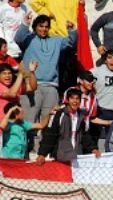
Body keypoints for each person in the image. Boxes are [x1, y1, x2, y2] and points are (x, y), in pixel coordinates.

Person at [16, 14, 77, 152]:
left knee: (48, 122)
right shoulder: (29, 38)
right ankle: (26, 151)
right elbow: (18, 38)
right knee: (29, 120)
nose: (43, 29)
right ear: (35, 27)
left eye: (46, 27)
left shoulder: (56, 41)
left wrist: (72, 30)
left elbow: (71, 42)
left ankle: (42, 152)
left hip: (51, 86)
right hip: (31, 85)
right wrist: (25, 23)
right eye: (40, 26)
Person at [36, 88, 100, 164]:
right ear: (67, 100)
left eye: (77, 99)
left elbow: (85, 136)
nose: (75, 101)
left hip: (77, 157)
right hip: (60, 157)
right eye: (72, 98)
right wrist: (42, 154)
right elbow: (50, 135)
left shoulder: (82, 116)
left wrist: (93, 149)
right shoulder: (58, 115)